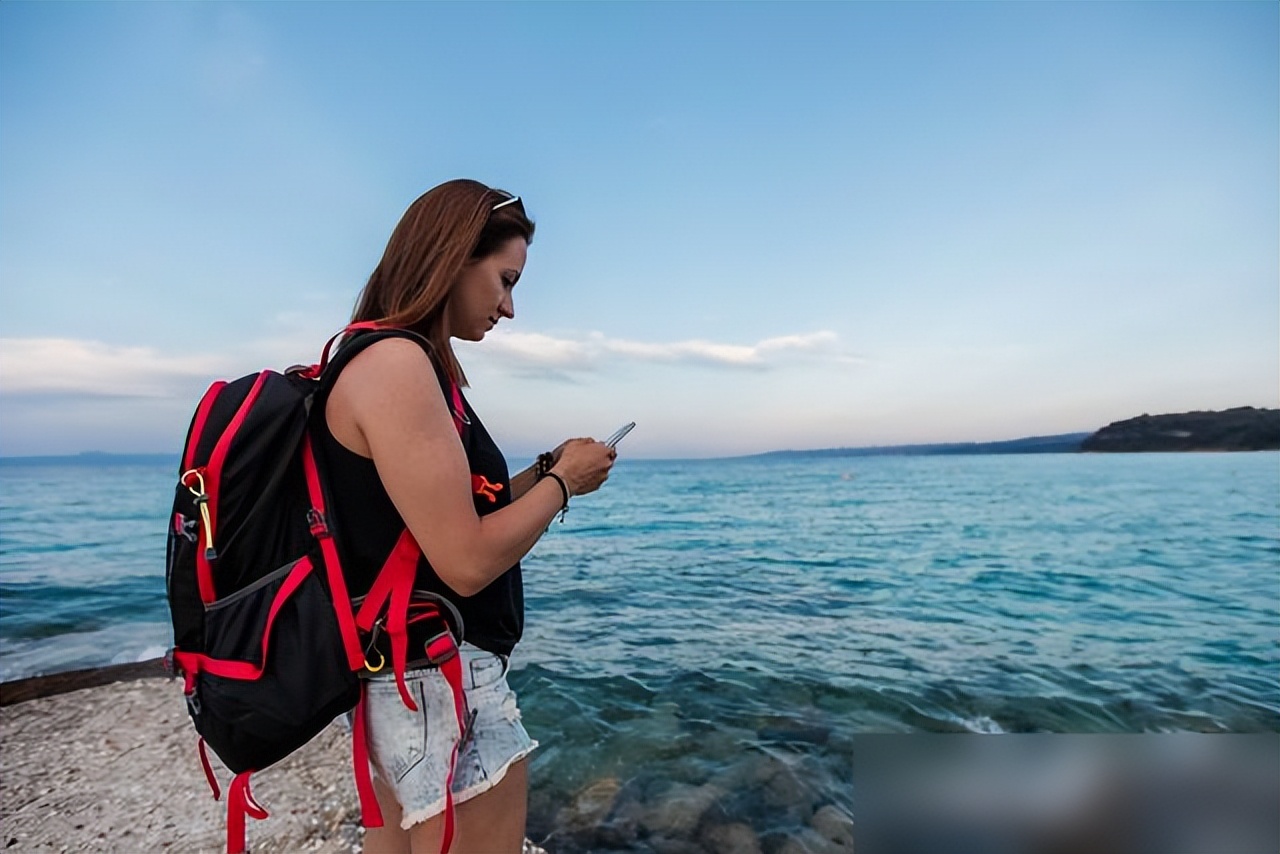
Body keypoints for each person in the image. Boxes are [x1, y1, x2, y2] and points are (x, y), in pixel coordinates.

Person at [316, 179, 616, 854]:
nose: (510, 307)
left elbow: (435, 525)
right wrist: (565, 486)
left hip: (394, 678)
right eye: (505, 279)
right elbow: (467, 560)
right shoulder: (397, 365)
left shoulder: (377, 358)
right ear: (453, 257)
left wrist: (543, 472)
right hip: (439, 685)